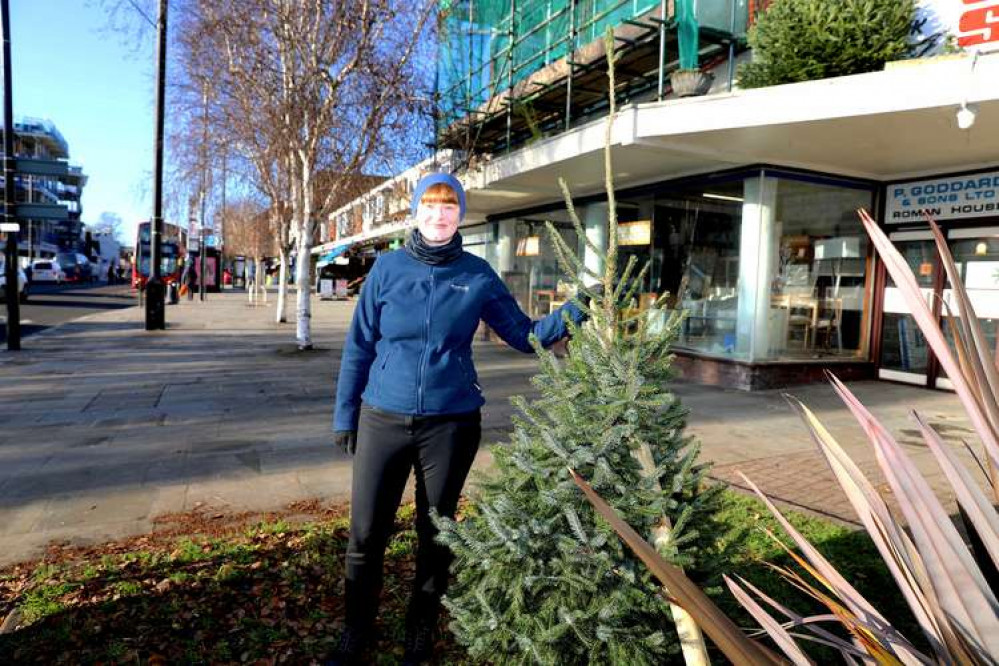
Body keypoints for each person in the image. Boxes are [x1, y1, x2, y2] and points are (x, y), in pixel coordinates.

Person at [329, 173, 587, 665]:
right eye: (430, 206)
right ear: (415, 212)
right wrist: (346, 414)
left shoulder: (477, 274)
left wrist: (580, 307)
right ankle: (355, 631)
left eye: (449, 207)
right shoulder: (386, 270)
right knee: (366, 533)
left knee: (437, 532)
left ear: (460, 214)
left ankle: (419, 631)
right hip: (382, 417)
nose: (439, 215)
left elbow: (525, 334)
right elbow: (359, 347)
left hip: (450, 424)